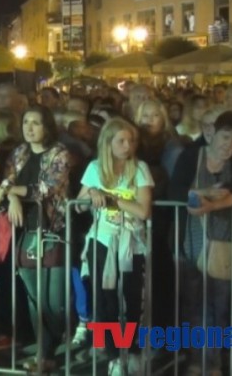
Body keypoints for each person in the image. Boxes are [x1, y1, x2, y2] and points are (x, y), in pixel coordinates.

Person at [0, 105, 71, 371]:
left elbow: (46, 188)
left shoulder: (59, 153)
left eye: (36, 122)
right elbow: (7, 179)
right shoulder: (20, 152)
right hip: (24, 232)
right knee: (35, 298)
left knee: (53, 301)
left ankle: (61, 334)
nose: (29, 127)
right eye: (25, 122)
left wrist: (10, 191)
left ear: (47, 126)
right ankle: (45, 353)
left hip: (53, 230)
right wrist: (10, 194)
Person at [169, 112, 232, 376]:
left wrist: (214, 204)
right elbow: (175, 190)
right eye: (226, 137)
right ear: (212, 133)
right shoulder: (192, 155)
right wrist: (201, 195)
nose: (230, 145)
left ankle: (213, 362)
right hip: (189, 239)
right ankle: (196, 359)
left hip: (224, 238)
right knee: (193, 302)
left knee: (219, 303)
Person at [77, 117, 153, 375]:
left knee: (131, 300)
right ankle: (113, 356)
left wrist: (112, 200)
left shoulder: (140, 168)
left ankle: (132, 351)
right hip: (102, 240)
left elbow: (143, 210)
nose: (127, 145)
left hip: (132, 243)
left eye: (131, 140)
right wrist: (91, 195)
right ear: (107, 143)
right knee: (104, 300)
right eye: (121, 140)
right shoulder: (95, 168)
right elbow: (77, 204)